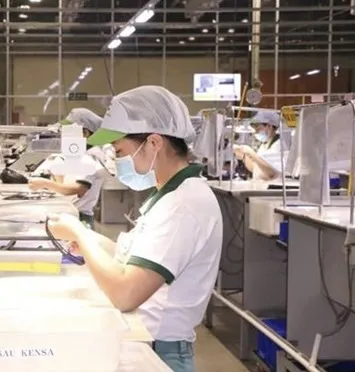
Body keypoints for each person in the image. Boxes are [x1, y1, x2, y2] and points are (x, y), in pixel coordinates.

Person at [46, 86, 223, 372]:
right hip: (148, 340)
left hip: (159, 350)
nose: (117, 161)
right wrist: (86, 236)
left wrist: (80, 235)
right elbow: (139, 258)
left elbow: (126, 293)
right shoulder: (169, 195)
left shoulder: (184, 205)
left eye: (120, 151)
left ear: (154, 143)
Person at [27, 108, 111, 228]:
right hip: (70, 214)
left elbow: (78, 189)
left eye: (68, 131)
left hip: (80, 218)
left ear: (85, 134)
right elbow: (61, 183)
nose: (63, 135)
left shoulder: (91, 157)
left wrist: (45, 183)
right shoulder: (78, 155)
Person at [233, 111, 285, 180]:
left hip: (270, 188)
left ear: (269, 126)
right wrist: (244, 156)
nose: (255, 130)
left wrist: (252, 154)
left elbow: (271, 172)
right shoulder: (264, 145)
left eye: (257, 127)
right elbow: (256, 168)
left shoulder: (278, 145)